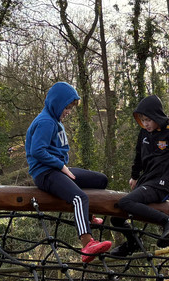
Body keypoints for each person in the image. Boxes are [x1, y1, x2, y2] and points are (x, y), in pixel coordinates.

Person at [25, 82, 112, 263]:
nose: (68, 112)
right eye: (67, 107)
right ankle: (87, 244)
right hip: (46, 173)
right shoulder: (46, 122)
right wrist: (61, 166)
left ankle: (87, 216)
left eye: (71, 108)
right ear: (57, 103)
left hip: (58, 168)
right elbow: (37, 151)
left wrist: (62, 167)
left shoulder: (54, 121)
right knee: (79, 198)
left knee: (100, 180)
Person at [109, 95, 169, 257]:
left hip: (161, 185)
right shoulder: (144, 134)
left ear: (157, 117)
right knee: (116, 216)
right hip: (146, 182)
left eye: (149, 120)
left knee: (126, 202)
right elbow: (138, 156)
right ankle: (133, 242)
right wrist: (134, 176)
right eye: (143, 120)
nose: (146, 123)